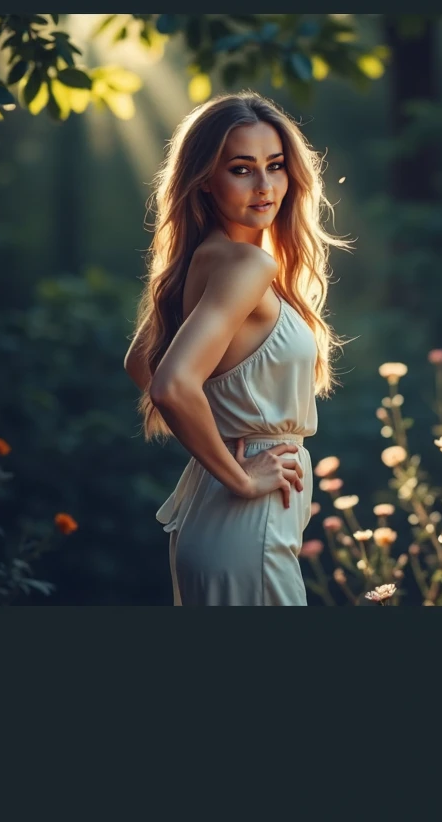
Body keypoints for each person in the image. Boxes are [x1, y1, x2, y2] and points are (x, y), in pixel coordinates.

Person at [124, 90, 354, 605]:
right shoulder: (247, 267)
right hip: (246, 518)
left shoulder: (204, 259)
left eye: (275, 166)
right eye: (242, 169)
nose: (266, 186)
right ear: (206, 179)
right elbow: (169, 384)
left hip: (219, 516)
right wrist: (242, 477)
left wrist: (226, 438)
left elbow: (140, 359)